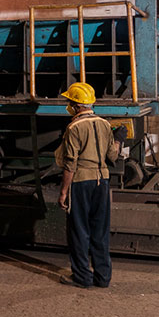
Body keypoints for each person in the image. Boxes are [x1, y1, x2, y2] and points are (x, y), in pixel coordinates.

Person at [54, 82, 126, 289]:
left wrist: (63, 192)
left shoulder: (74, 127)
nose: (69, 106)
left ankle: (82, 277)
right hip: (102, 182)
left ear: (77, 105)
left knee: (79, 231)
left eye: (70, 102)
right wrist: (118, 140)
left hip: (81, 182)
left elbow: (70, 163)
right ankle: (103, 278)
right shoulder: (104, 124)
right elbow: (113, 156)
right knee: (100, 231)